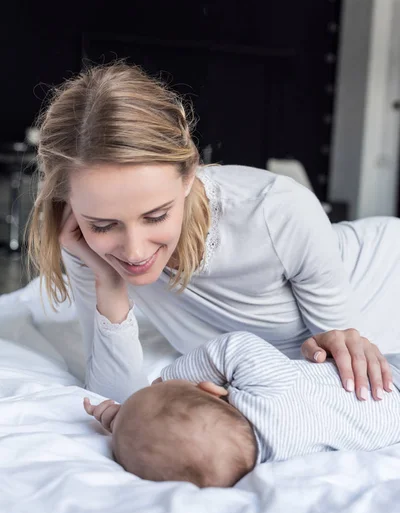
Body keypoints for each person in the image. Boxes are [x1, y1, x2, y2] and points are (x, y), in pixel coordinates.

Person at [27, 61, 399, 405]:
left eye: (156, 216)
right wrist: (107, 282)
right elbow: (118, 399)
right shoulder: (83, 243)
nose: (135, 252)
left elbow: (342, 376)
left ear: (189, 175)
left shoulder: (276, 212)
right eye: (104, 225)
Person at [83, 331, 400, 488]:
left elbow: (151, 438)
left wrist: (116, 418)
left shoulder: (282, 464)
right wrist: (165, 381)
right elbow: (235, 346)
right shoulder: (269, 392)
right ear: (209, 388)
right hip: (388, 379)